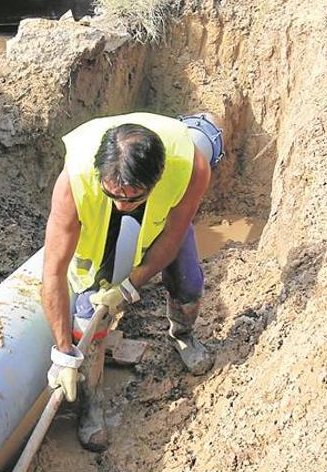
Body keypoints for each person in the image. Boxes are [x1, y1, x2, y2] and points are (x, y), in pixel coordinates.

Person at [42, 112, 225, 450]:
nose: (123, 206)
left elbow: (172, 236)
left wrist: (129, 286)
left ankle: (182, 334)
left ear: (157, 181)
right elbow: (53, 270)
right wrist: (64, 351)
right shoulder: (75, 183)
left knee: (188, 283)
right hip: (97, 209)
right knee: (87, 312)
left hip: (161, 209)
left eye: (132, 199)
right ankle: (91, 403)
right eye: (115, 196)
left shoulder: (191, 168)